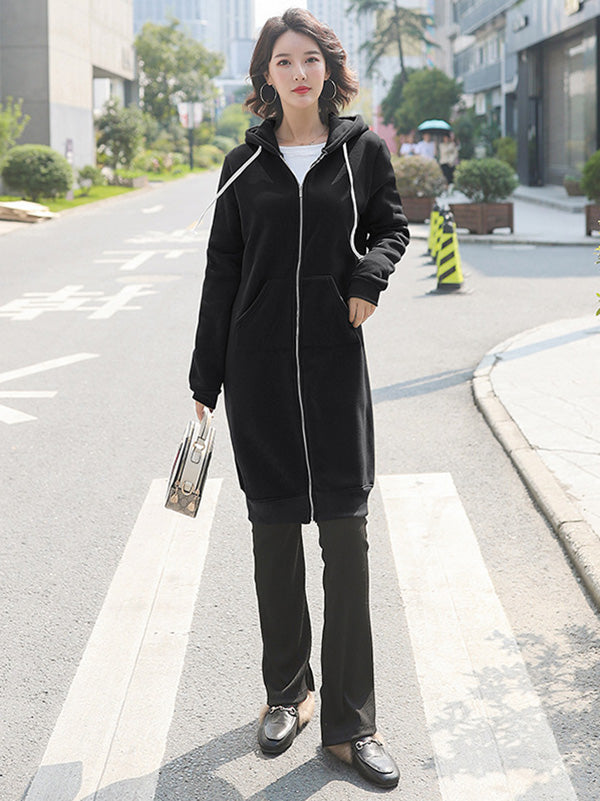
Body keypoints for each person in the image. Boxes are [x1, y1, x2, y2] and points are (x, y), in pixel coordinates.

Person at [189, 7, 409, 790]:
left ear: (329, 69)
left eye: (310, 59)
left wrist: (368, 280)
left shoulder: (362, 152)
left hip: (333, 364)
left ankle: (353, 724)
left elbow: (390, 227)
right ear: (266, 76)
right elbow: (222, 269)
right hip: (258, 374)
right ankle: (288, 693)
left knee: (347, 538)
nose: (299, 72)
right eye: (283, 61)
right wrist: (205, 378)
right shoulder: (242, 165)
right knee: (274, 536)